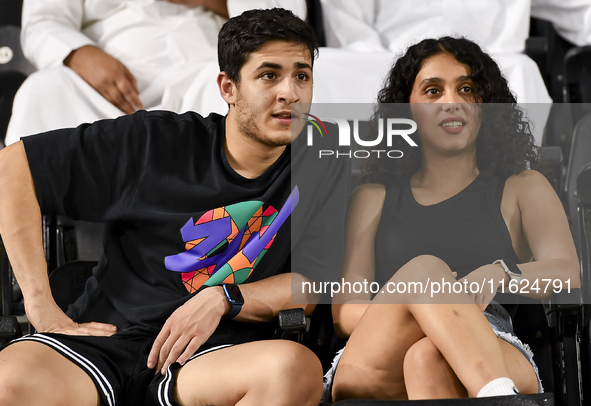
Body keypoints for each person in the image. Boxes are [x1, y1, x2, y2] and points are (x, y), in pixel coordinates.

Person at [0, 8, 350, 406]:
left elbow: (312, 284)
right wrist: (41, 304)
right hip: (106, 341)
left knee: (293, 368)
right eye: (269, 75)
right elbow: (11, 169)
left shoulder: (323, 161)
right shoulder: (156, 141)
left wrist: (223, 298)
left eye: (301, 75)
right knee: (6, 381)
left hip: (210, 357)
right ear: (228, 87)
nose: (290, 92)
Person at [324, 36, 580, 401]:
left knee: (429, 358)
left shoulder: (524, 186)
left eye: (467, 89)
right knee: (424, 274)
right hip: (380, 346)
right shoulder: (371, 197)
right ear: (406, 109)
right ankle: (496, 395)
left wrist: (501, 271)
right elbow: (345, 314)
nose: (452, 103)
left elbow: (566, 270)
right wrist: (421, 304)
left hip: (490, 340)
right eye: (432, 91)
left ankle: (493, 387)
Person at [4, 0, 307, 145]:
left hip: (209, 70)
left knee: (256, 91)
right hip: (109, 82)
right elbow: (42, 21)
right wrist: (79, 54)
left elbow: (286, 16)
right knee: (42, 92)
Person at [312, 0, 563, 146]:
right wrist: (404, 68)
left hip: (488, 58)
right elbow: (349, 25)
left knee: (523, 69)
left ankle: (512, 175)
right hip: (380, 58)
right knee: (319, 66)